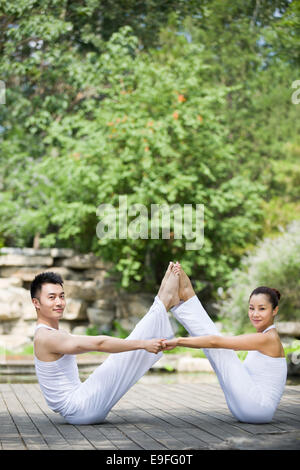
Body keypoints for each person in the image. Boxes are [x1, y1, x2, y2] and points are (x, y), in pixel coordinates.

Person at [31, 265, 178, 425]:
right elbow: (99, 343)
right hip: (79, 407)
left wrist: (142, 345)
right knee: (122, 357)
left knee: (124, 356)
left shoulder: (52, 334)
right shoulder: (47, 337)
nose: (59, 302)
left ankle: (163, 300)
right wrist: (143, 344)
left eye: (62, 296)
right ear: (36, 303)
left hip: (79, 406)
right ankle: (163, 300)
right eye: (52, 297)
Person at [164, 262, 287, 424]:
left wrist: (179, 341)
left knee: (219, 347)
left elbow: (216, 341)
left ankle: (186, 296)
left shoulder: (268, 338)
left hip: (257, 408)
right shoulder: (264, 336)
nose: (255, 314)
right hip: (248, 409)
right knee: (218, 349)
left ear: (275, 311)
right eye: (251, 308)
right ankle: (185, 297)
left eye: (262, 309)